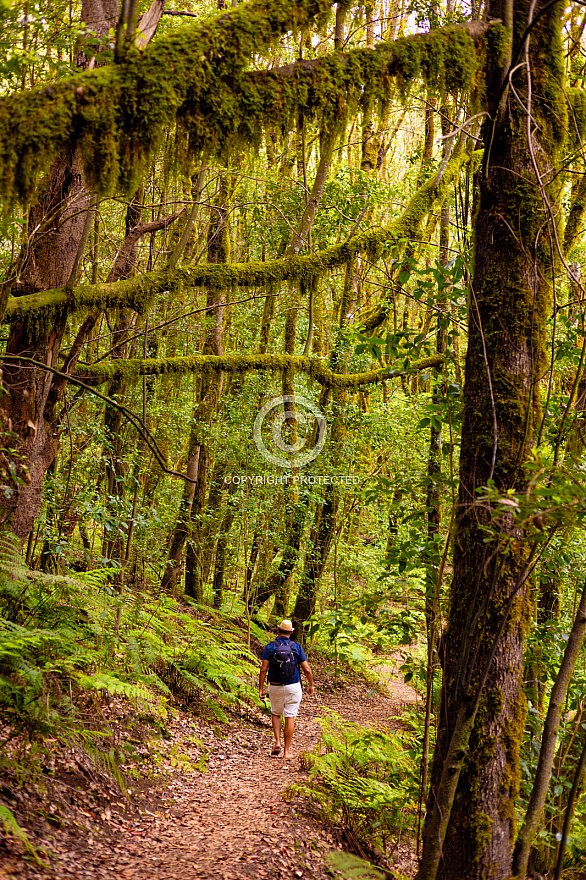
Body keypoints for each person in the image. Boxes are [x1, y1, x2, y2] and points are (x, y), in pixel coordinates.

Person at [259, 619, 314, 759]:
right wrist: (311, 684)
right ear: (291, 632)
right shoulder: (296, 646)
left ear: (278, 631)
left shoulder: (271, 646)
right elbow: (306, 669)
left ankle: (277, 742)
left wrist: (261, 688)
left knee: (276, 714)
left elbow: (263, 669)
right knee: (290, 716)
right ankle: (286, 752)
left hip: (275, 686)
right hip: (293, 686)